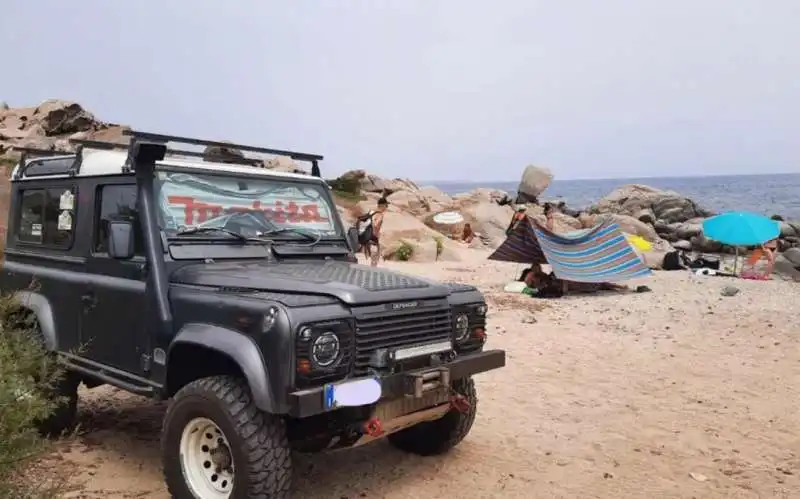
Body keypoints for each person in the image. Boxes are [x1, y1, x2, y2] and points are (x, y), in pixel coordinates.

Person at [363, 197, 387, 267]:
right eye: (386, 206)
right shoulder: (380, 214)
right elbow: (376, 225)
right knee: (374, 261)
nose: (386, 208)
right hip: (374, 238)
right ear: (382, 205)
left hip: (368, 237)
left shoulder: (372, 212)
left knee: (373, 260)